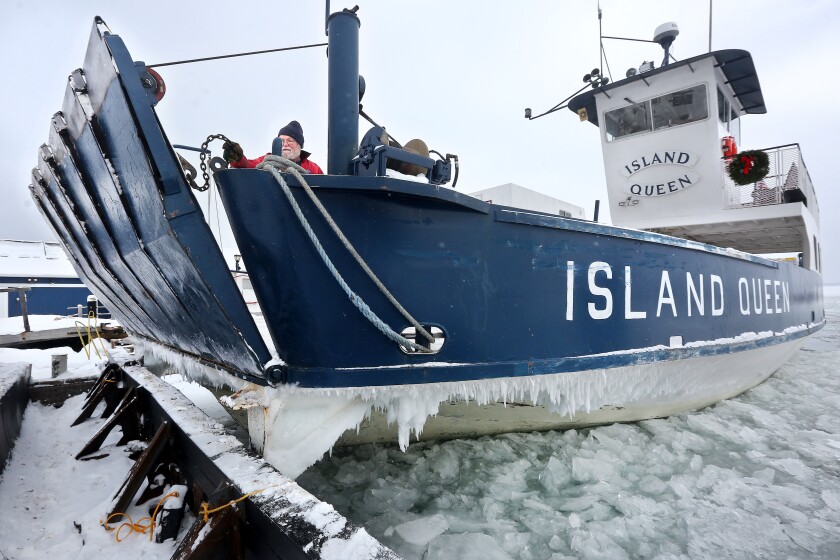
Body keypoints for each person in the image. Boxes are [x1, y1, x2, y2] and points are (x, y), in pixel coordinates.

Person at [222, 120, 324, 174]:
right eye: (281, 141)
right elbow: (248, 165)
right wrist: (237, 158)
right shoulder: (267, 161)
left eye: (290, 141)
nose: (285, 144)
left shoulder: (313, 169)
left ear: (300, 145)